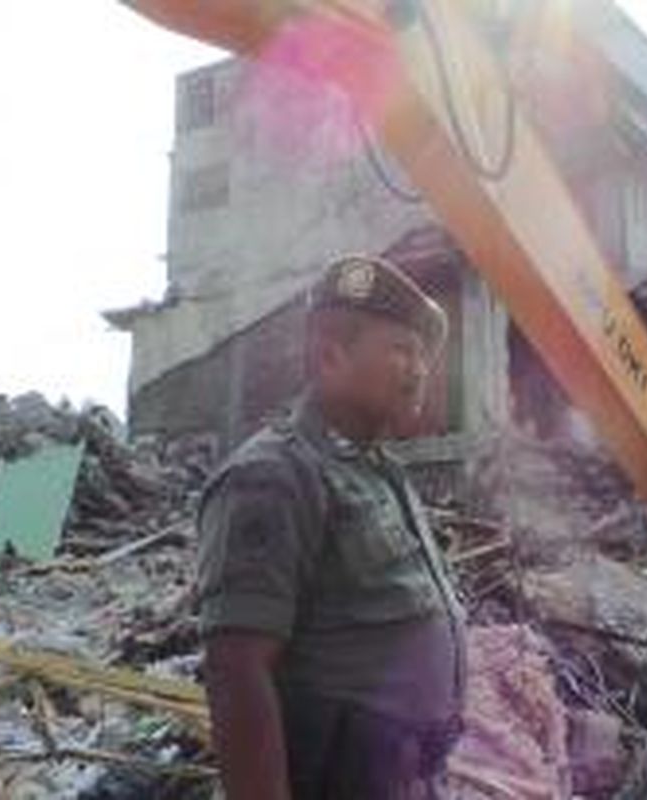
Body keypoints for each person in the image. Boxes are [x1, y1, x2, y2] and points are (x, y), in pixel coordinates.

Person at [195, 254, 465, 800]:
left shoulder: (378, 471)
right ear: (331, 355)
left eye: (423, 356)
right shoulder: (274, 475)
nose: (420, 371)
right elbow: (237, 671)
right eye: (402, 351)